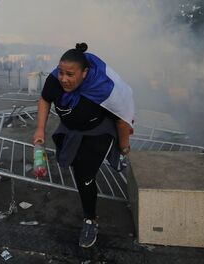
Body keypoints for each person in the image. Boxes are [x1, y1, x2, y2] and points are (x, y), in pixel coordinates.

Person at [33, 43, 134, 248]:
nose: (64, 79)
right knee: (72, 163)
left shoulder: (105, 89)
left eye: (70, 74)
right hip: (72, 128)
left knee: (83, 173)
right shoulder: (55, 80)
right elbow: (44, 100)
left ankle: (90, 220)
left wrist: (123, 148)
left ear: (85, 73)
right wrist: (40, 129)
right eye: (61, 72)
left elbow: (123, 120)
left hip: (99, 129)